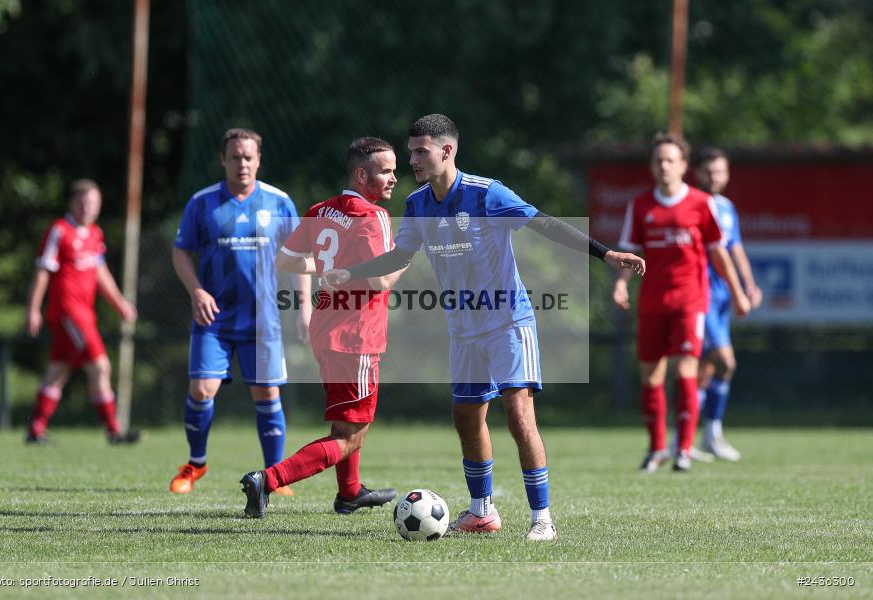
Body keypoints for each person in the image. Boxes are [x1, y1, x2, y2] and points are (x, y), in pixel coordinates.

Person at [321, 114, 645, 541]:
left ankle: (542, 519)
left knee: (518, 414)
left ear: (447, 150)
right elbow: (400, 257)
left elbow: (543, 223)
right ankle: (481, 512)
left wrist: (605, 255)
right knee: (466, 417)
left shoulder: (486, 193)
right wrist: (352, 274)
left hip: (509, 321)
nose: (413, 160)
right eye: (411, 151)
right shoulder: (418, 205)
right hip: (464, 329)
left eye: (421, 151)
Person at [240, 136, 405, 518]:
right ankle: (267, 479)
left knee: (346, 420)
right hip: (357, 335)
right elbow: (381, 280)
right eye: (386, 171)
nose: (394, 178)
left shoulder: (322, 210)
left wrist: (331, 271)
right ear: (362, 175)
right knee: (351, 435)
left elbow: (287, 261)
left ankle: (349, 493)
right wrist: (407, 258)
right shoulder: (373, 216)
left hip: (326, 329)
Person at [169, 128, 312, 495]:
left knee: (267, 396)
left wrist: (304, 306)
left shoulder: (278, 202)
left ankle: (275, 475)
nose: (242, 163)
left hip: (263, 321)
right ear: (223, 160)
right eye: (235, 157)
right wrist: (197, 291)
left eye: (248, 157)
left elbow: (300, 257)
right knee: (202, 390)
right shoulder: (202, 203)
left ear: (259, 159)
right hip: (213, 319)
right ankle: (196, 464)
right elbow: (181, 250)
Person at [613, 133, 752, 474]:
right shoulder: (641, 205)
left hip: (691, 300)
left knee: (687, 369)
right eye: (658, 160)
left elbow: (719, 253)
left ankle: (685, 450)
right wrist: (620, 285)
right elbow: (631, 253)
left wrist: (738, 293)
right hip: (652, 302)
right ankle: (657, 448)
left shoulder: (701, 203)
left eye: (670, 160)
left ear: (684, 165)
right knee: (651, 375)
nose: (664, 165)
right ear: (652, 165)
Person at [24, 179, 140, 444]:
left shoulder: (95, 234)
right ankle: (114, 430)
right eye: (84, 202)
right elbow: (43, 272)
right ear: (72, 203)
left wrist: (120, 304)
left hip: (84, 313)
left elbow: (101, 273)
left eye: (94, 203)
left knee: (58, 370)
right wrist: (33, 310)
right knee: (100, 366)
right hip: (68, 312)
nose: (88, 208)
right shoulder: (60, 230)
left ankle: (35, 429)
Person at [693, 147, 762, 461]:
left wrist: (748, 286)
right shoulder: (691, 204)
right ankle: (709, 433)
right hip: (699, 293)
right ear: (697, 173)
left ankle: (693, 438)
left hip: (721, 296)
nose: (714, 177)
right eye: (709, 171)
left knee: (706, 369)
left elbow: (734, 250)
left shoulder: (726, 207)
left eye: (720, 171)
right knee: (726, 362)